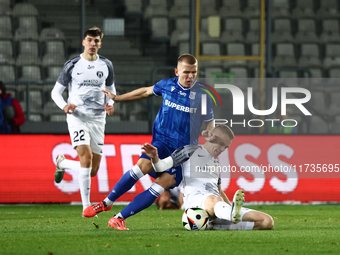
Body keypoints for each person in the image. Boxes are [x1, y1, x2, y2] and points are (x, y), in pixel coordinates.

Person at [83, 54, 215, 229]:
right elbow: (145, 91)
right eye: (186, 72)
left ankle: (119, 218)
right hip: (160, 143)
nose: (190, 77)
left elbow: (210, 121)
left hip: (182, 154)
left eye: (194, 72)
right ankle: (106, 203)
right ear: (177, 72)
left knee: (160, 186)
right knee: (140, 168)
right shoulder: (167, 85)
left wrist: (209, 132)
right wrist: (117, 98)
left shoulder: (203, 96)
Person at [143, 124, 274, 230]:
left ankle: (219, 222)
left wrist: (231, 207)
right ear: (211, 137)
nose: (222, 149)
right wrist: (154, 157)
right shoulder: (189, 151)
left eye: (226, 146)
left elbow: (220, 191)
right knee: (214, 199)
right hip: (197, 203)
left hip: (219, 206)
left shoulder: (216, 164)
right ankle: (227, 215)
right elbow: (160, 167)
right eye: (221, 143)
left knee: (267, 221)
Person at [51, 26, 115, 214]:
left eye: (96, 41)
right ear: (83, 42)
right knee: (85, 158)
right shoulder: (72, 65)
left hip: (98, 119)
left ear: (100, 44)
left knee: (92, 170)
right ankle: (86, 206)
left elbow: (112, 90)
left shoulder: (106, 65)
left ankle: (62, 163)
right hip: (77, 117)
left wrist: (110, 104)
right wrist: (65, 106)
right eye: (89, 40)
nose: (92, 44)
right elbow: (55, 92)